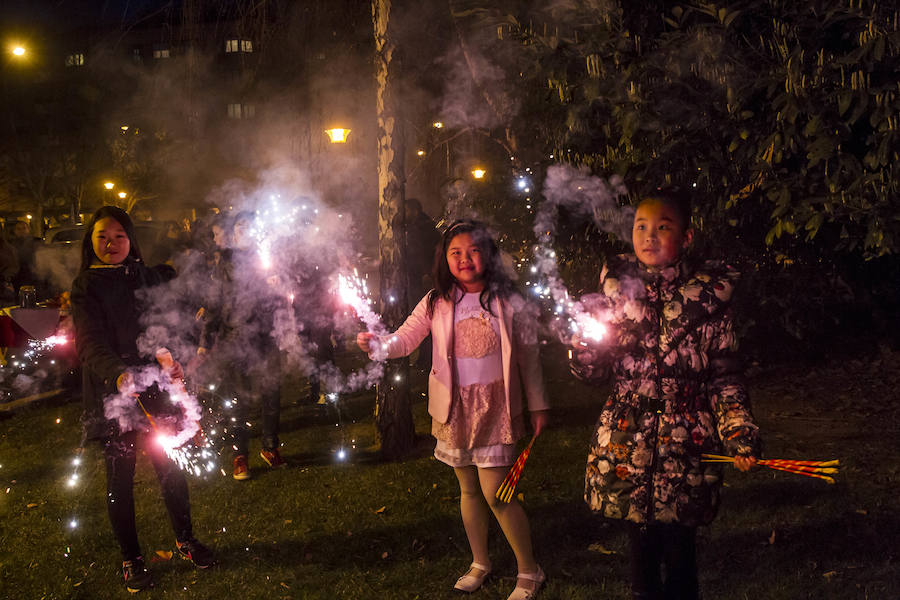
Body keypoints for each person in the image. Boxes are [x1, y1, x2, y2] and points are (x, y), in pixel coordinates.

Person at [569, 188, 761, 600]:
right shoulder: (615, 298)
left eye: (663, 227)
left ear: (686, 237)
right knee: (640, 555)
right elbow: (595, 371)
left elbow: (725, 377)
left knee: (680, 555)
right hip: (627, 442)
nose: (649, 236)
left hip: (686, 445)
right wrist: (585, 353)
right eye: (641, 226)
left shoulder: (710, 305)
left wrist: (738, 430)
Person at [356, 219, 550, 600]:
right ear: (444, 259)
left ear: (488, 255)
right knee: (469, 490)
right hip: (456, 409)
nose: (464, 259)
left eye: (473, 250)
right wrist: (379, 344)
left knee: (498, 493)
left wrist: (539, 404)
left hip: (496, 408)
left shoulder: (509, 301)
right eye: (455, 252)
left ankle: (529, 569)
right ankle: (481, 562)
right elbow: (406, 338)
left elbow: (529, 357)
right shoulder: (437, 300)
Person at [70, 206, 214, 593]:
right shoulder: (86, 287)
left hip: (155, 387)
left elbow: (167, 324)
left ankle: (186, 541)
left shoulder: (147, 277)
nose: (111, 243)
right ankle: (131, 558)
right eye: (102, 236)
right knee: (121, 476)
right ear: (91, 242)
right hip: (113, 389)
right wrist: (117, 372)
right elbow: (89, 341)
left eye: (119, 235)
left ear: (131, 239)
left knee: (170, 465)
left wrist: (175, 358)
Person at [197, 211, 285, 479]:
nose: (245, 231)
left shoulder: (270, 257)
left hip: (266, 334)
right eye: (240, 227)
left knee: (272, 390)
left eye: (250, 227)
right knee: (238, 398)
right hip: (235, 336)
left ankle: (269, 447)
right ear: (234, 234)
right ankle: (240, 455)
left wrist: (279, 286)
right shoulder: (225, 262)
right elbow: (215, 300)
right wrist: (205, 339)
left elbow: (288, 295)